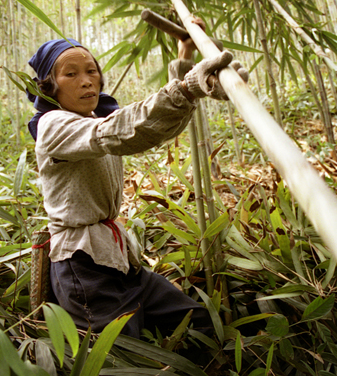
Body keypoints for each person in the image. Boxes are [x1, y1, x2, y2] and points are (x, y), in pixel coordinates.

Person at [26, 24, 248, 340]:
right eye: (70, 74)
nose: (86, 80)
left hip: (115, 258)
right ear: (49, 87)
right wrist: (187, 86)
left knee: (199, 324)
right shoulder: (53, 126)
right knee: (123, 357)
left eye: (91, 71)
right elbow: (124, 129)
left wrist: (186, 61)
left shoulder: (92, 119)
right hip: (83, 268)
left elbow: (148, 127)